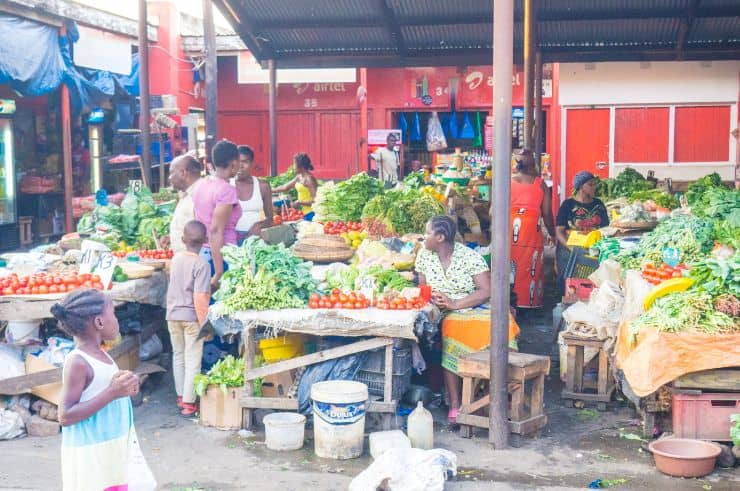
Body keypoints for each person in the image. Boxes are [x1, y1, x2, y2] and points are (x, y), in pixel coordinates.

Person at [415, 215, 519, 424]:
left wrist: (455, 303)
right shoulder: (424, 256)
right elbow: (422, 288)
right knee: (452, 330)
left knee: (502, 325)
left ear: (441, 237)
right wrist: (436, 299)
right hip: (442, 311)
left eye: (427, 233)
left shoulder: (470, 257)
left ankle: (499, 392)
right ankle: (456, 403)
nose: (423, 237)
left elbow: (486, 291)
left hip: (472, 305)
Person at [53, 289, 144, 490]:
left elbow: (103, 390)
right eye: (113, 313)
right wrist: (112, 392)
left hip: (110, 449)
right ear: (99, 322)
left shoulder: (100, 354)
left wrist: (126, 386)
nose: (117, 319)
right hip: (91, 456)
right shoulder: (78, 362)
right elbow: (65, 415)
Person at [167, 221, 211, 416]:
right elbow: (200, 298)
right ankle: (189, 403)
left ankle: (180, 396)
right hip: (192, 318)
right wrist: (205, 325)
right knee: (193, 358)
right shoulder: (201, 264)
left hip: (172, 316)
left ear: (183, 239)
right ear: (206, 241)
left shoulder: (175, 259)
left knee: (178, 356)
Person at [192, 140, 242, 290]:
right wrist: (219, 272)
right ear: (233, 163)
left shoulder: (201, 184)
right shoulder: (226, 190)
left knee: (204, 306)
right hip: (221, 256)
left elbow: (197, 219)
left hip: (203, 252)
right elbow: (216, 230)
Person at [510, 149, 556, 309]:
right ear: (533, 164)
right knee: (531, 267)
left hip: (510, 234)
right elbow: (547, 214)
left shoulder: (507, 182)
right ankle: (530, 303)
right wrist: (553, 233)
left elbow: (493, 211)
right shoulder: (540, 184)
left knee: (510, 268)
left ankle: (510, 302)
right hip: (531, 234)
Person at [555, 171, 610, 290]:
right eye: (590, 184)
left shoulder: (598, 204)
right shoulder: (568, 205)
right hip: (569, 250)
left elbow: (606, 228)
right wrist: (570, 247)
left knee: (590, 283)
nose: (594, 187)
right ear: (581, 187)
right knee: (568, 283)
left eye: (594, 184)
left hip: (592, 250)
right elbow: (559, 230)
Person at [234, 145, 274, 241]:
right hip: (231, 240)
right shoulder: (227, 185)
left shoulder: (263, 186)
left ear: (252, 163)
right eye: (238, 162)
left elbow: (270, 220)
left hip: (255, 239)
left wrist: (259, 225)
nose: (241, 166)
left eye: (245, 162)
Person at [168, 154, 203, 253]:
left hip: (194, 261)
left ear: (183, 173)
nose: (169, 178)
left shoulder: (201, 194)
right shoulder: (185, 195)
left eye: (171, 173)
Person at [71, 129, 90, 196]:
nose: (76, 139)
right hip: (72, 182)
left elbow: (87, 167)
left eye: (78, 137)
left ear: (81, 139)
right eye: (75, 137)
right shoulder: (70, 151)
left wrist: (83, 182)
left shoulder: (85, 152)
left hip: (82, 182)